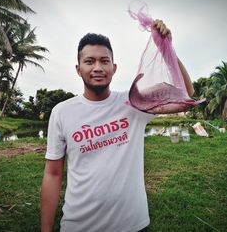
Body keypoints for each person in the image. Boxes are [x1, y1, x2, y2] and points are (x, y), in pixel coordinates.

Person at [40, 20, 194, 232]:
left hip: (133, 225)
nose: (97, 67)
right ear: (78, 69)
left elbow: (185, 93)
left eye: (104, 61)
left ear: (114, 68)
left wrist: (166, 49)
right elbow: (53, 174)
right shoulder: (62, 112)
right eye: (89, 61)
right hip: (79, 226)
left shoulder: (134, 103)